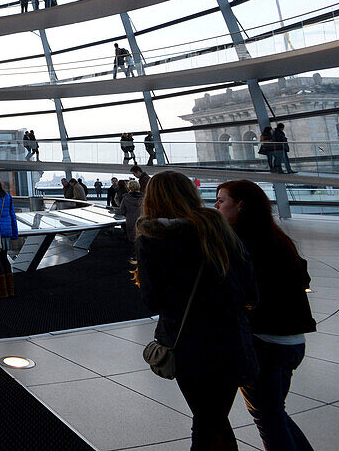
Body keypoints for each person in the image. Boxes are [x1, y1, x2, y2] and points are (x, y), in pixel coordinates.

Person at [134, 171, 258, 450]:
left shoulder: (152, 238)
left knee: (207, 422)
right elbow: (250, 288)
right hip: (232, 340)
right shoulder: (218, 228)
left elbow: (154, 301)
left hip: (189, 346)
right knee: (213, 419)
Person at [215, 180, 316, 451]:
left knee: (269, 421)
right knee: (274, 415)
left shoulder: (242, 244)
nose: (216, 205)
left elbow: (241, 294)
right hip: (292, 342)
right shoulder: (277, 239)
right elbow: (301, 279)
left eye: (222, 200)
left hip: (264, 344)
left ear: (241, 205)